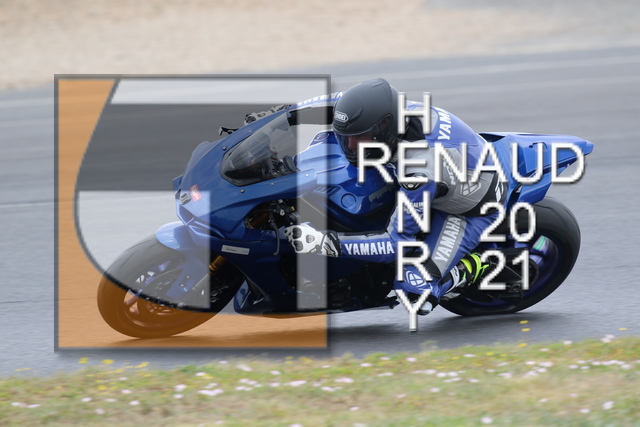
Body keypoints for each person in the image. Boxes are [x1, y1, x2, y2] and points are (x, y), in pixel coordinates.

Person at [282, 78, 506, 315]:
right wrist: (279, 117)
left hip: (467, 210)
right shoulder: (384, 111)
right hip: (454, 166)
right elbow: (331, 104)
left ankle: (477, 265)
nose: (351, 146)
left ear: (384, 130)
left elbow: (395, 244)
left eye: (360, 138)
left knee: (414, 290)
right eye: (346, 138)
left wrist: (326, 242)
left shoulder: (419, 169)